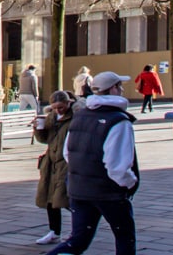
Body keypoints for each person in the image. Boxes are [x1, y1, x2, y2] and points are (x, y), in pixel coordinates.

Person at [48, 71, 138, 255]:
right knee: (124, 237)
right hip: (108, 192)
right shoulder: (119, 121)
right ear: (113, 89)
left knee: (78, 240)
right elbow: (117, 165)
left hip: (79, 189)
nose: (121, 90)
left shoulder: (80, 116)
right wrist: (130, 183)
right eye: (119, 86)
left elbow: (68, 153)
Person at [33, 91, 76, 245]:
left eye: (61, 107)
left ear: (68, 103)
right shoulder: (51, 116)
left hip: (66, 162)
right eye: (55, 108)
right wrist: (38, 129)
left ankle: (78, 230)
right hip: (50, 162)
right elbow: (45, 139)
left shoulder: (74, 118)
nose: (58, 110)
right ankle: (54, 232)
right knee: (50, 199)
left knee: (64, 198)